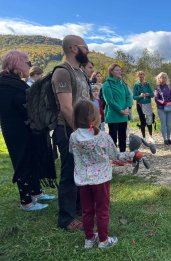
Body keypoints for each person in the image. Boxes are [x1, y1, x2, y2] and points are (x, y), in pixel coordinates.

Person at [70, 100, 138, 249]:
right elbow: (116, 156)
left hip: (83, 180)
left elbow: (71, 152)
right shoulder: (103, 137)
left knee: (87, 211)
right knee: (102, 210)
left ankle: (89, 239)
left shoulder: (73, 137)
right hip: (101, 180)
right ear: (94, 118)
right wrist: (133, 154)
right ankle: (104, 241)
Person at [0, 50, 55, 211]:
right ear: (17, 64)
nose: (28, 66)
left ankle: (36, 192)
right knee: (22, 161)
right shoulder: (5, 84)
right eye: (26, 63)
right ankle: (26, 202)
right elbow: (17, 105)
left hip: (28, 128)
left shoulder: (15, 81)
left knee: (33, 157)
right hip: (16, 130)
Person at [52, 35, 91, 230]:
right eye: (86, 47)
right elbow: (66, 108)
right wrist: (79, 133)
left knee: (81, 169)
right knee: (69, 172)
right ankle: (66, 219)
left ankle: (78, 207)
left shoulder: (81, 72)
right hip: (67, 129)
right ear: (75, 48)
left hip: (82, 128)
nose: (88, 51)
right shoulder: (62, 72)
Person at [102, 63, 132, 152]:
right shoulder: (106, 85)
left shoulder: (122, 83)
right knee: (113, 137)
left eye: (120, 70)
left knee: (123, 137)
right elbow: (109, 101)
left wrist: (127, 107)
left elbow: (128, 96)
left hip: (124, 115)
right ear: (111, 72)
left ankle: (122, 154)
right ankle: (113, 156)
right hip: (113, 116)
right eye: (117, 70)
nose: (120, 72)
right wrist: (120, 110)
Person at [133, 71, 155, 143]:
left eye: (142, 75)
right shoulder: (136, 85)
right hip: (140, 104)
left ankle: (151, 137)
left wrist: (148, 94)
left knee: (149, 120)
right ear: (137, 77)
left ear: (144, 76)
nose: (141, 77)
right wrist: (140, 96)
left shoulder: (147, 84)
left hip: (148, 104)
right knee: (142, 120)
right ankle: (144, 137)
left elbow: (152, 94)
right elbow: (134, 97)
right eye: (139, 76)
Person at [154, 72, 171, 145]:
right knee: (163, 124)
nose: (163, 78)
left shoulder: (169, 87)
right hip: (161, 108)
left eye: (165, 77)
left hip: (169, 108)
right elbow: (156, 98)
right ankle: (165, 139)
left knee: (168, 124)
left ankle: (169, 138)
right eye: (161, 77)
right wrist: (164, 103)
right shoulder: (157, 88)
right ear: (159, 79)